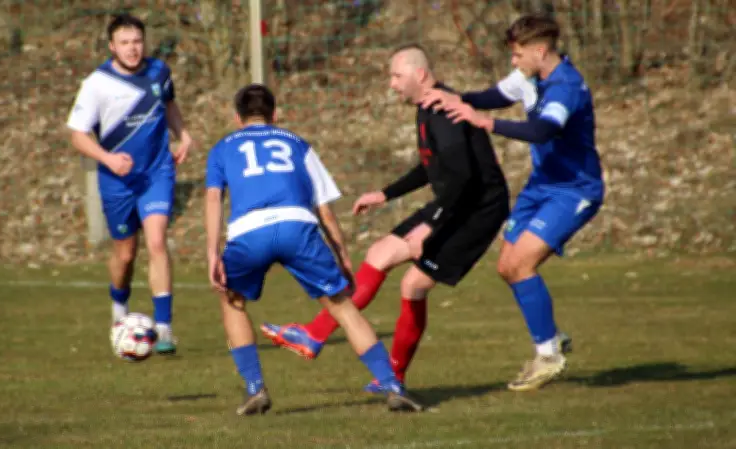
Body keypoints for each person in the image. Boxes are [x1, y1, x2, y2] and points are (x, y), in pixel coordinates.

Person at [261, 44, 510, 393]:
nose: (391, 84)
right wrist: (385, 194)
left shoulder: (443, 111)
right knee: (379, 254)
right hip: (454, 201)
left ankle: (393, 377)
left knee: (413, 285)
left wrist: (430, 226)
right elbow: (432, 167)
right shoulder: (427, 108)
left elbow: (464, 178)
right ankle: (314, 335)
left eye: (396, 76)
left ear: (420, 75)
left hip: (477, 208)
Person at [204, 83, 424, 415]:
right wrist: (343, 255)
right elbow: (323, 209)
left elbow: (212, 199)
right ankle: (392, 386)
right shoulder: (297, 144)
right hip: (298, 228)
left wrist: (212, 252)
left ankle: (255, 389)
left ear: (237, 119)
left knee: (232, 302)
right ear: (275, 115)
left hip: (250, 233)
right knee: (342, 308)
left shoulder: (222, 149)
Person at [419, 14, 604, 391]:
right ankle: (551, 339)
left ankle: (548, 355)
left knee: (521, 264)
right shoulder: (529, 77)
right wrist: (458, 99)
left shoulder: (566, 87)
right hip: (541, 186)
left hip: (574, 190)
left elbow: (543, 130)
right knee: (507, 266)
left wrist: (488, 123)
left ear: (540, 51)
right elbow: (497, 95)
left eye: (518, 54)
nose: (514, 62)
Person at [66, 14, 194, 355]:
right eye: (124, 42)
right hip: (117, 180)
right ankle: (119, 310)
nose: (133, 48)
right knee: (125, 254)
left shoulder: (159, 72)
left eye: (137, 41)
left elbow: (169, 105)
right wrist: (108, 160)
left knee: (156, 242)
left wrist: (183, 135)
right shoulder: (97, 83)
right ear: (112, 47)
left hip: (157, 171)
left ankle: (164, 328)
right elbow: (78, 136)